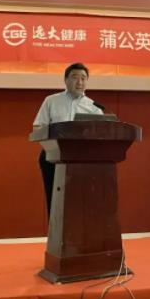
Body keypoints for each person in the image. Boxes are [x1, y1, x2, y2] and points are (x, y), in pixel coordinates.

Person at [33, 63, 103, 218]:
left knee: (80, 199)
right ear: (65, 80)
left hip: (82, 159)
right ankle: (55, 231)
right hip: (52, 157)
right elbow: (38, 127)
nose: (79, 82)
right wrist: (52, 146)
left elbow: (100, 134)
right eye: (75, 77)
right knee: (54, 199)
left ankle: (79, 231)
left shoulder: (94, 107)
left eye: (83, 78)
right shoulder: (51, 101)